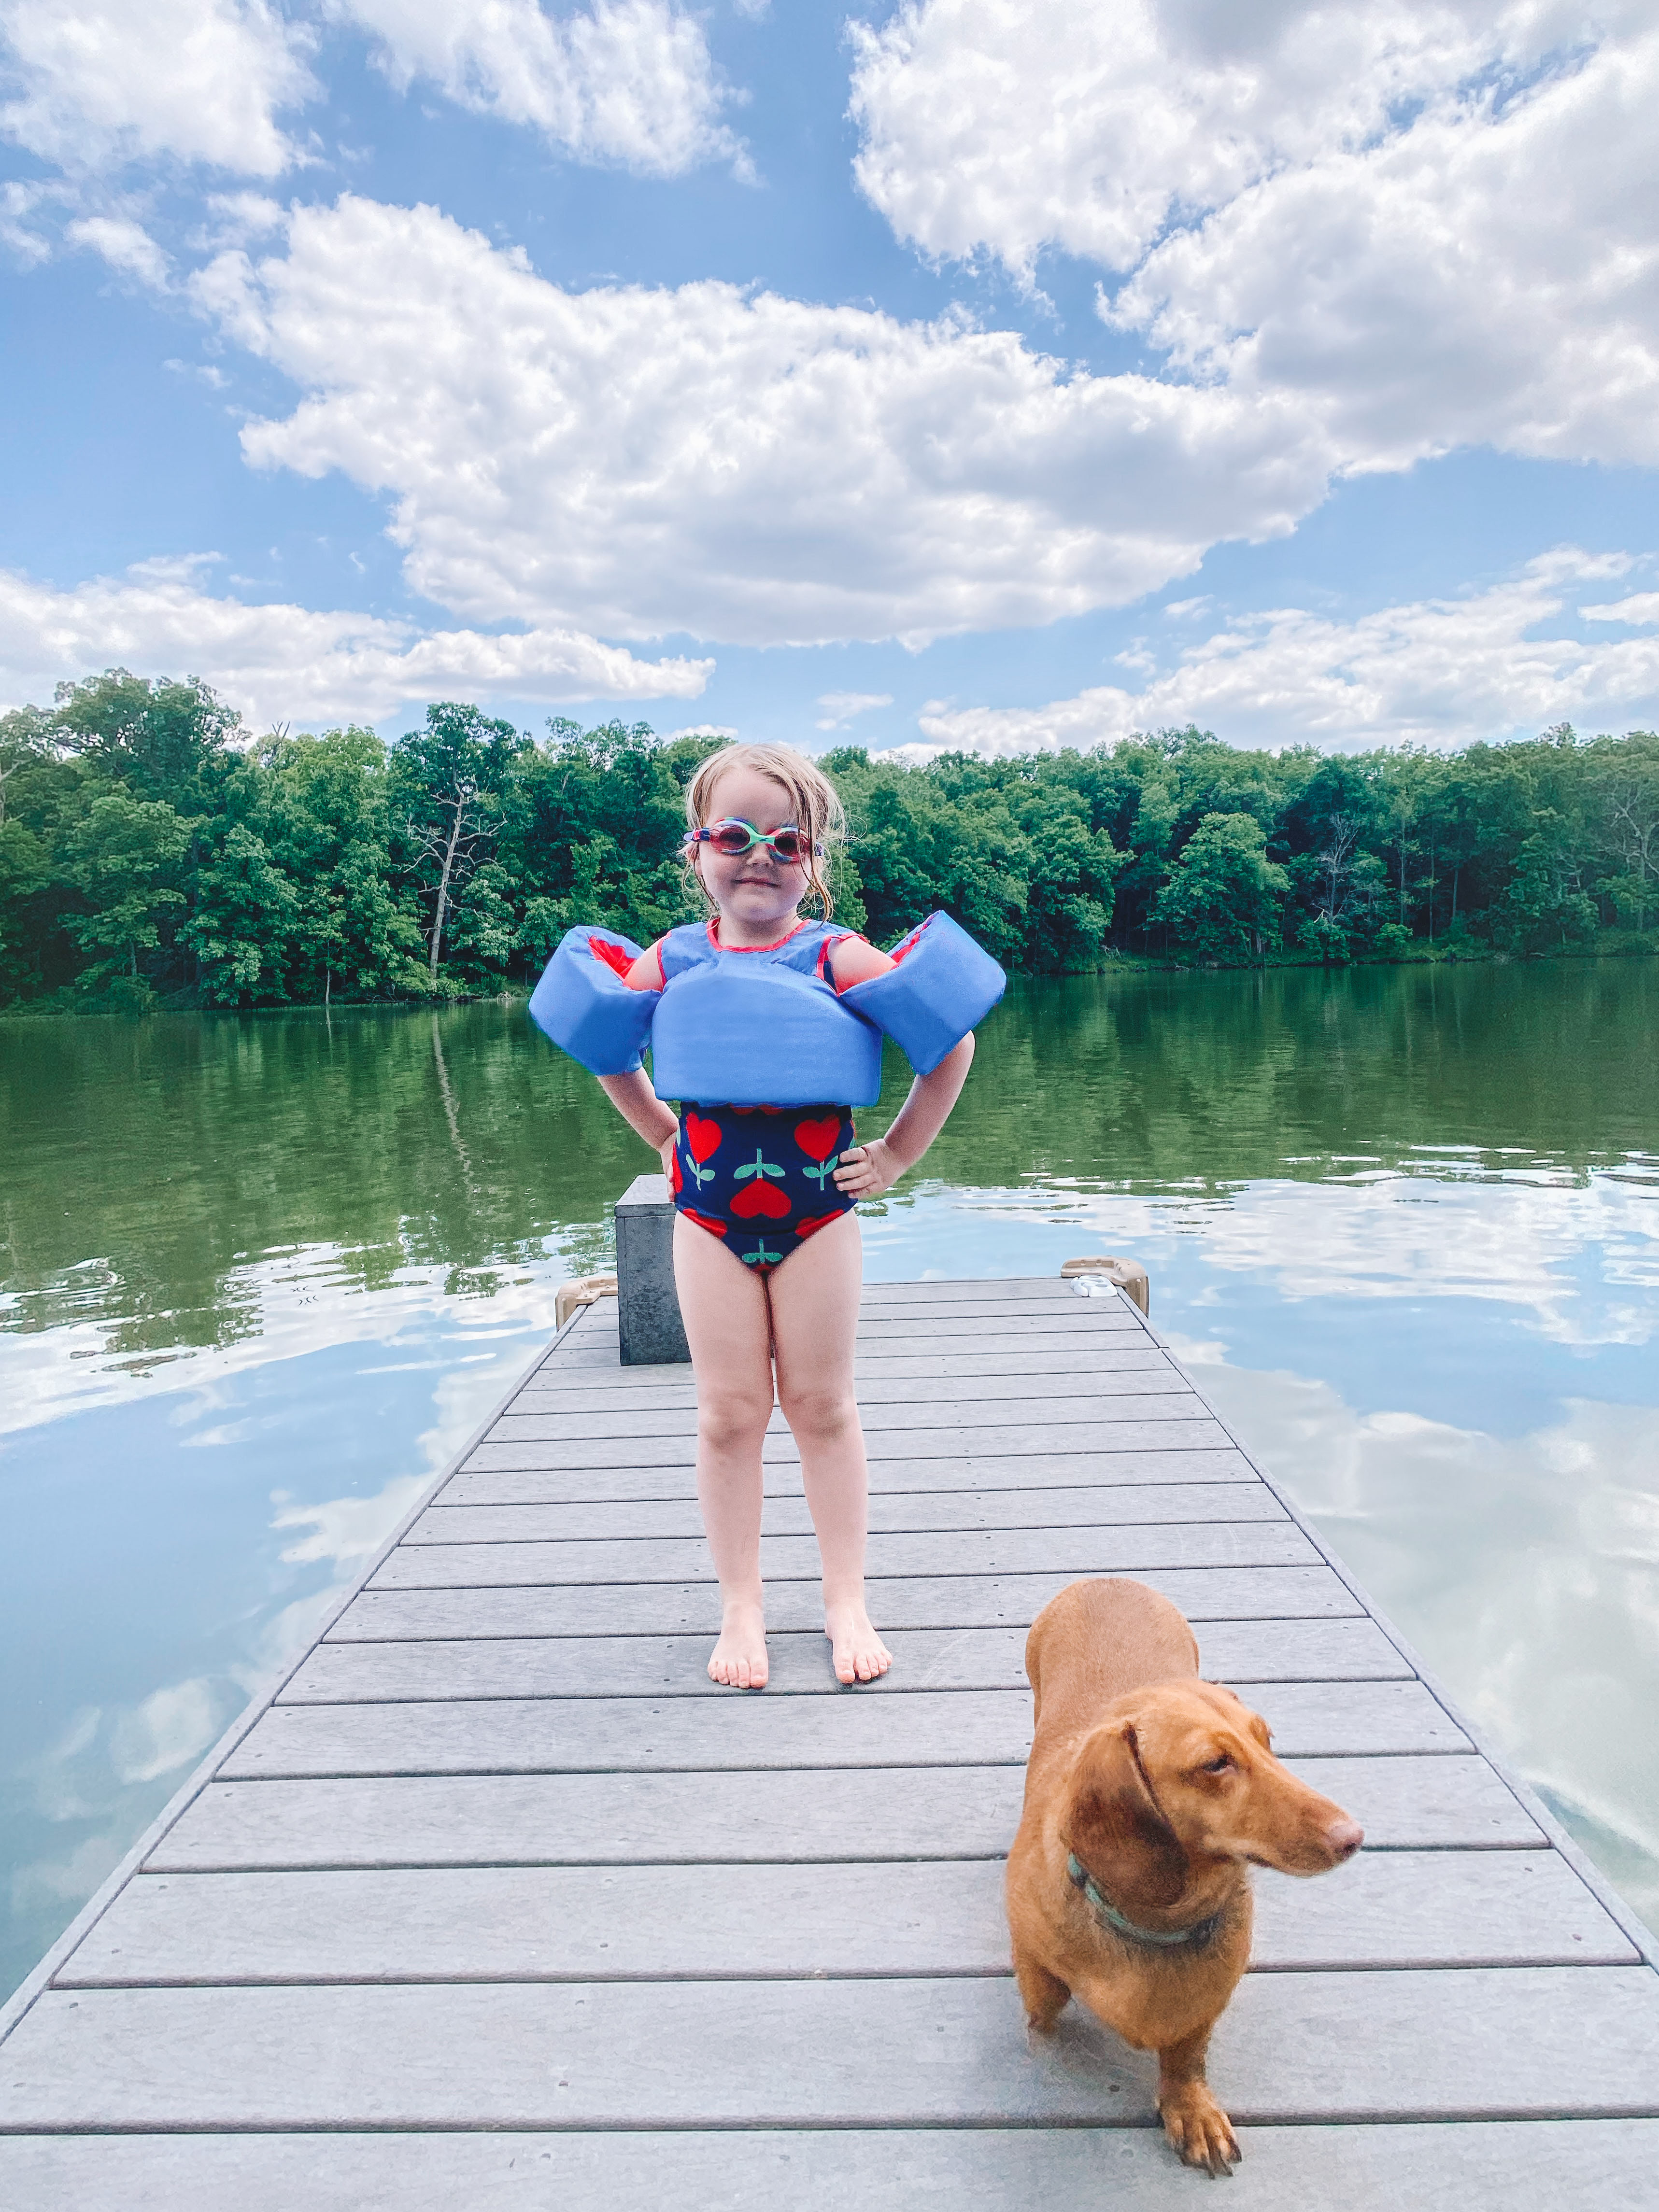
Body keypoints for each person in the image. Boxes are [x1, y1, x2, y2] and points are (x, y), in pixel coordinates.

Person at [530, 742, 1002, 1691]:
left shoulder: (835, 954)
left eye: (787, 840)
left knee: (822, 1406)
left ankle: (843, 1598)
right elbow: (605, 1049)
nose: (760, 854)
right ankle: (740, 1602)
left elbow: (949, 1043)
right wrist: (660, 1135)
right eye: (735, 833)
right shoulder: (670, 957)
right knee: (726, 1414)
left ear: (812, 860)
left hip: (818, 1215)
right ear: (695, 849)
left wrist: (901, 1151)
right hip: (705, 1215)